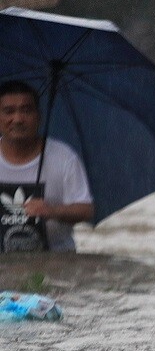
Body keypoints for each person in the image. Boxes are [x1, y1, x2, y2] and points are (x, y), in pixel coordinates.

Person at [0, 81, 93, 252]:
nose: (18, 119)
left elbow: (86, 209)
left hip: (56, 258)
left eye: (26, 110)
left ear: (39, 117)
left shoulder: (64, 157)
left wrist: (51, 211)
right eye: (8, 111)